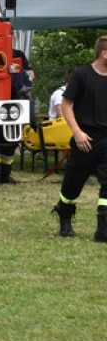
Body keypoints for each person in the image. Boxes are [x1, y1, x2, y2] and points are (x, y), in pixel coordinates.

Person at [51, 36, 107, 241]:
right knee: (72, 185)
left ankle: (103, 230)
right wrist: (77, 132)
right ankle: (64, 216)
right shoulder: (81, 75)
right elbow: (66, 105)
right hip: (85, 138)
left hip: (106, 138)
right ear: (104, 54)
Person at [0, 48, 34, 186]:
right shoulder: (13, 67)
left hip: (4, 107)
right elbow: (25, 86)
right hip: (6, 108)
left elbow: (25, 84)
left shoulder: (13, 62)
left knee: (3, 142)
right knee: (2, 141)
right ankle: (0, 174)